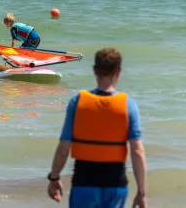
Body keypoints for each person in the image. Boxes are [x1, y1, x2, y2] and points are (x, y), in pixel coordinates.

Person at [46, 48, 147, 208]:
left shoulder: (77, 102)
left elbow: (64, 148)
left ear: (95, 70)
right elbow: (137, 151)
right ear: (118, 72)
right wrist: (142, 193)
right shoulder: (128, 105)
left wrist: (54, 178)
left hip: (84, 184)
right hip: (115, 186)